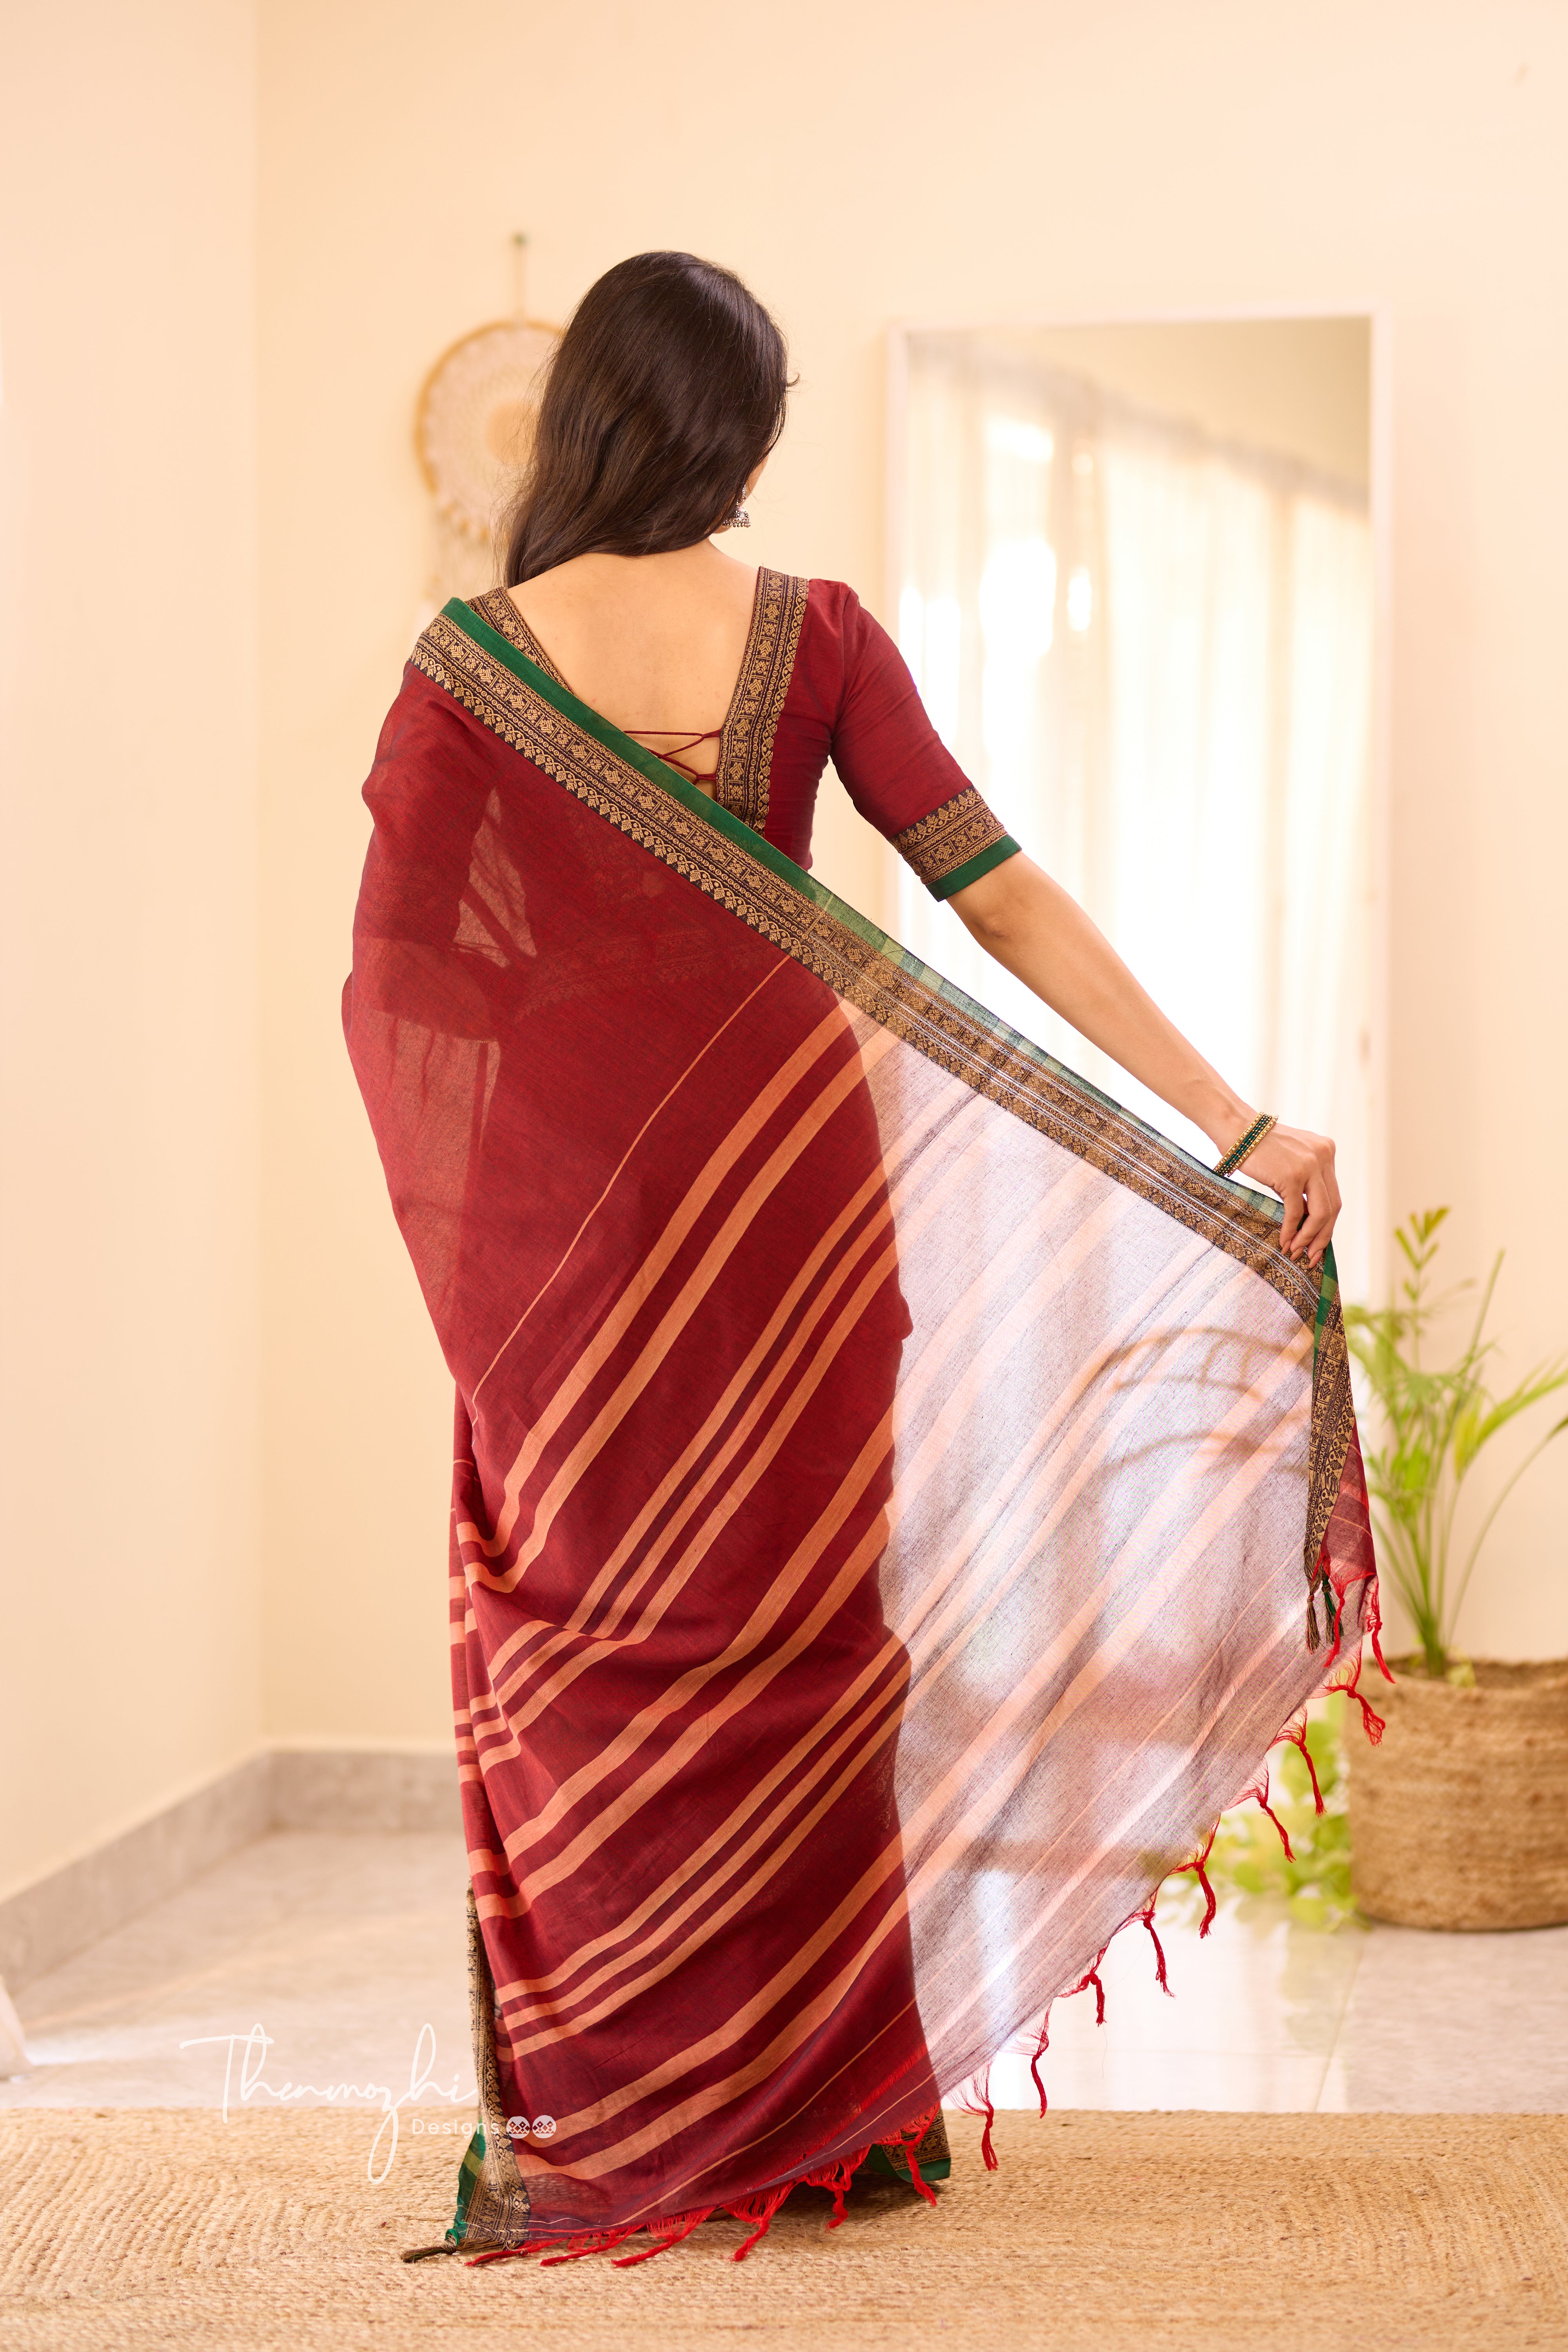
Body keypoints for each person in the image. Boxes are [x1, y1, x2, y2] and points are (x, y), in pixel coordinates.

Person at [345, 252, 1376, 2268]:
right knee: (808, 1638)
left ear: (585, 421)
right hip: (796, 1205)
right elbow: (1004, 899)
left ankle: (638, 2117)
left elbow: (406, 993)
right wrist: (1226, 1121)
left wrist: (510, 1233)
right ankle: (826, 2116)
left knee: (601, 1637)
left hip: (579, 1244)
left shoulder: (468, 661)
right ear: (740, 432)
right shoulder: (813, 636)